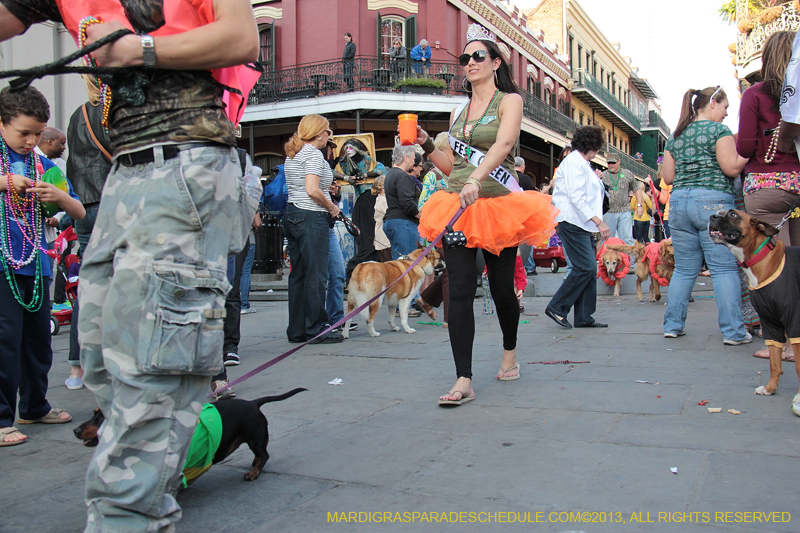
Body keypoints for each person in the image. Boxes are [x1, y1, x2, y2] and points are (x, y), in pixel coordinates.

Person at [0, 1, 261, 529]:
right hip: (125, 170)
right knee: (99, 357)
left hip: (187, 162)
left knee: (151, 376)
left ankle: (130, 510)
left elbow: (240, 37)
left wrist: (139, 48)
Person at [414, 23, 558, 405]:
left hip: (498, 205)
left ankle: (509, 352)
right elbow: (450, 166)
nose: (470, 62)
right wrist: (426, 143)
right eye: (465, 58)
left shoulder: (508, 100)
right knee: (458, 289)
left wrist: (477, 178)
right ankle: (463, 379)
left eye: (479, 55)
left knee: (500, 289)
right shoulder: (458, 111)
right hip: (458, 204)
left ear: (496, 62)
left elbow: (506, 142)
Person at [0, 85, 85, 447]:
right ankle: (2, 418)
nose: (31, 140)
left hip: (36, 266)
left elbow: (79, 211)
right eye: (24, 132)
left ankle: (34, 405)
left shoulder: (44, 165)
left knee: (37, 341)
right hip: (4, 265)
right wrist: (5, 183)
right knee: (5, 341)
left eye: (37, 133)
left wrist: (62, 198)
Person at [661, 86, 751, 344]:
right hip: (713, 203)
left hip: (679, 204)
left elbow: (667, 177)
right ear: (713, 103)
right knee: (723, 270)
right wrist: (747, 152)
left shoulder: (675, 135)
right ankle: (733, 332)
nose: (725, 114)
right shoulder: (719, 131)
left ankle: (673, 325)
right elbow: (731, 168)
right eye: (725, 107)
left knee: (684, 270)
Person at [64, 75, 112, 391]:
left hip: (82, 205)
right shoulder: (110, 113)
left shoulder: (77, 115)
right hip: (111, 204)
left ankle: (77, 368)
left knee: (89, 286)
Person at [284, 114, 344, 344]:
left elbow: (302, 185)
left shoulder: (294, 154)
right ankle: (317, 328)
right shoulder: (314, 155)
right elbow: (311, 189)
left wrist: (325, 188)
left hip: (293, 214)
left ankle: (297, 329)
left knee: (298, 274)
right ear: (320, 133)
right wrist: (331, 207)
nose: (329, 136)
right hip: (311, 216)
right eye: (328, 131)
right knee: (316, 274)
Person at [738, 31, 800, 247]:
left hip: (766, 187)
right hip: (798, 182)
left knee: (775, 263)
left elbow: (745, 148)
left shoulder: (754, 94)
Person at [545, 126, 610, 329]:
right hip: (572, 221)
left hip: (579, 222)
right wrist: (598, 221)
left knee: (588, 269)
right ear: (594, 145)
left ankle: (583, 315)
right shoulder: (575, 163)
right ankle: (557, 306)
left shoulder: (580, 163)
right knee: (585, 267)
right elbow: (577, 197)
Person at [383, 144, 421, 259]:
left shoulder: (389, 174)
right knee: (408, 266)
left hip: (392, 221)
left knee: (398, 266)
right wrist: (422, 216)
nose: (413, 163)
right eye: (413, 159)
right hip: (404, 223)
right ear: (405, 158)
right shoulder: (402, 176)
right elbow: (408, 204)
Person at [601, 155, 643, 245]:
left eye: (613, 163)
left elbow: (637, 189)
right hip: (608, 212)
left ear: (619, 162)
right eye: (609, 163)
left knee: (627, 238)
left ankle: (630, 259)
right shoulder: (603, 175)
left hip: (624, 211)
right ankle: (603, 258)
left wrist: (639, 205)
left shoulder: (628, 174)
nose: (611, 165)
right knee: (607, 239)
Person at [373, 175, 392, 262]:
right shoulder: (382, 200)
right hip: (383, 237)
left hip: (382, 236)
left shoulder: (383, 199)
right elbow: (390, 212)